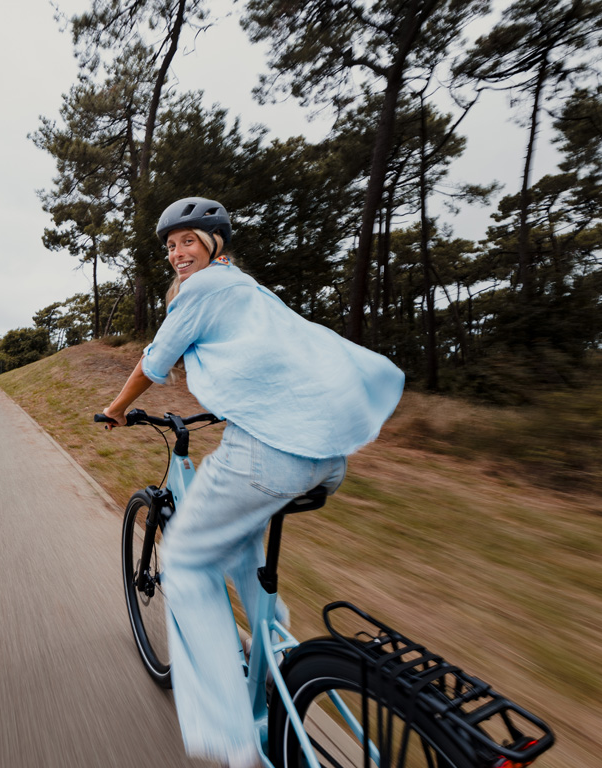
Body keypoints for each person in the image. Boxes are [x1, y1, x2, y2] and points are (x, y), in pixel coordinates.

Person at [102, 196, 404, 768]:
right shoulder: (251, 292)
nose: (176, 254)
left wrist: (117, 408)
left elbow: (154, 360)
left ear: (215, 244)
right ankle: (271, 638)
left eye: (187, 240)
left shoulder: (203, 289)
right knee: (237, 533)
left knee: (188, 558)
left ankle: (232, 739)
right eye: (170, 247)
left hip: (275, 452)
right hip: (329, 454)